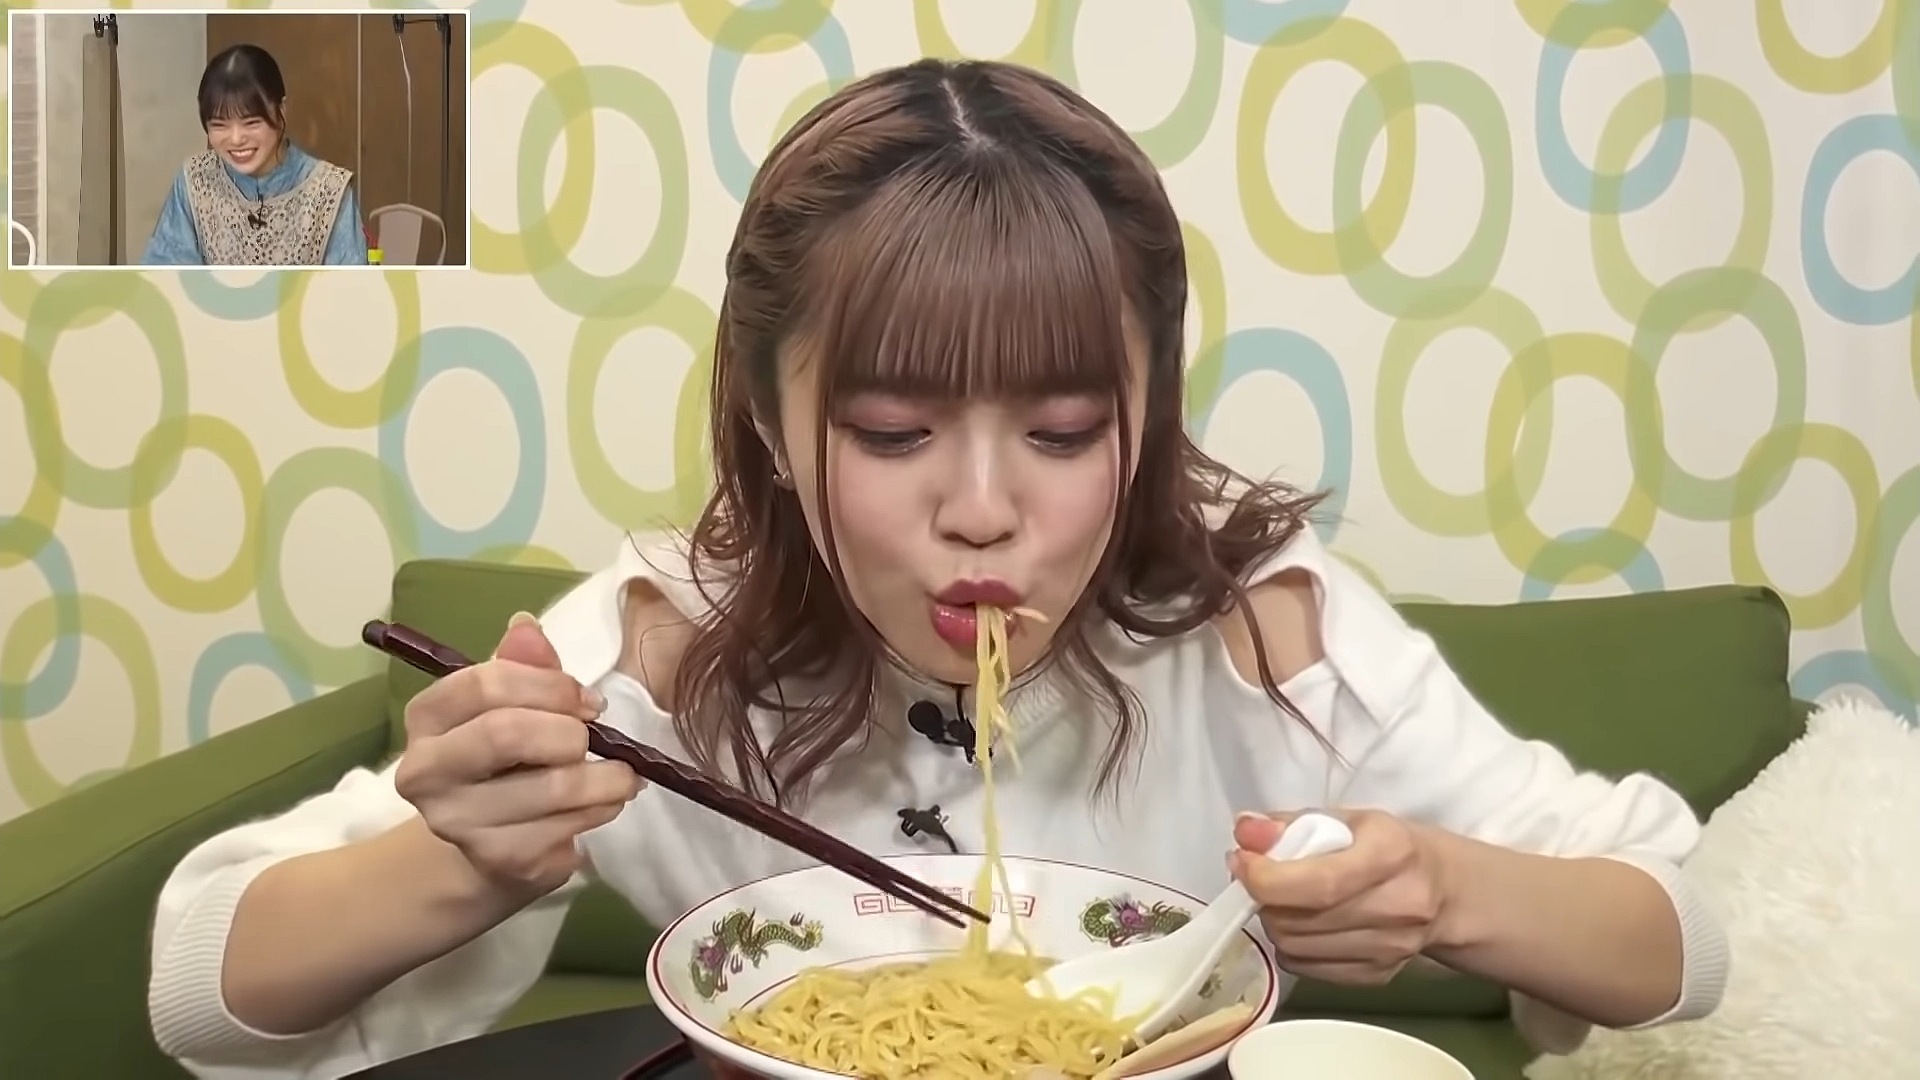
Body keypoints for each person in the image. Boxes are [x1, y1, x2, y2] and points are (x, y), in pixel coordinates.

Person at [147, 58, 1725, 1078]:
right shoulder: (670, 645)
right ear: (771, 428)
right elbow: (198, 982)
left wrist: (1440, 886)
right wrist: (475, 860)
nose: (984, 509)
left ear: (1146, 418)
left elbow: (1679, 933)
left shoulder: (1257, 635)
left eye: (1064, 431)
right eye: (894, 431)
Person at [141, 44, 367, 266]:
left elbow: (350, 287)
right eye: (219, 125)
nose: (236, 139)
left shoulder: (330, 190)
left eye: (251, 123)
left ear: (281, 110)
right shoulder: (195, 180)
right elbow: (167, 279)